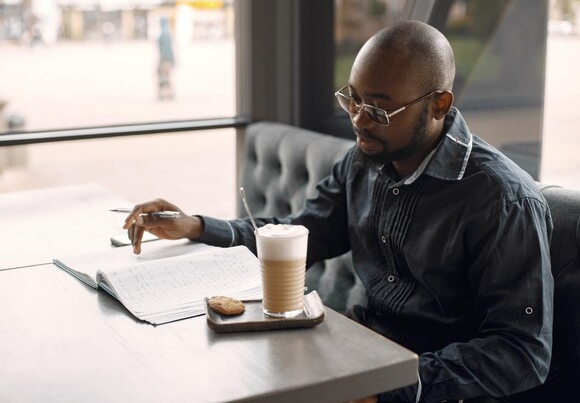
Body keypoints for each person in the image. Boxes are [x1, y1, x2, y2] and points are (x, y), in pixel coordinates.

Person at [123, 20, 554, 403]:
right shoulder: (364, 160)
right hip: (353, 358)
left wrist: (392, 387)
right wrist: (196, 227)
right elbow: (299, 232)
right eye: (352, 98)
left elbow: (521, 352)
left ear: (438, 105)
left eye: (380, 108)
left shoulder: (501, 200)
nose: (359, 120)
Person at [157, 17, 176, 100]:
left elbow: (166, 49)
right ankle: (168, 94)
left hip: (164, 59)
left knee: (164, 77)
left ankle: (165, 94)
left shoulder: (164, 34)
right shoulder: (166, 33)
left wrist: (165, 59)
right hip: (167, 58)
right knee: (166, 77)